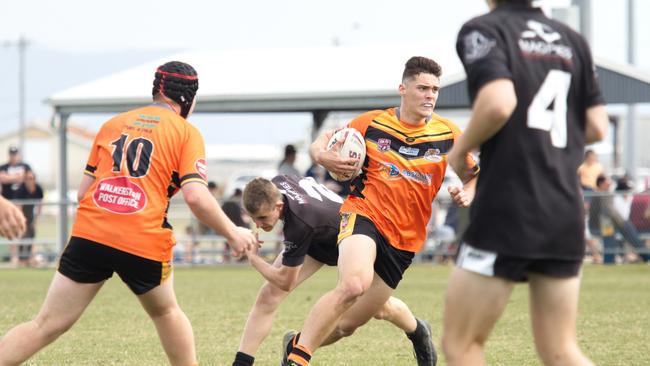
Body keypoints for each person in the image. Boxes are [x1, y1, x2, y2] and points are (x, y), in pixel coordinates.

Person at [0, 61, 257, 366]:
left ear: (157, 89)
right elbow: (196, 197)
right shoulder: (186, 133)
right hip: (142, 238)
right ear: (190, 99)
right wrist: (233, 233)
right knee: (166, 312)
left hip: (91, 233)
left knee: (46, 324)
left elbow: (84, 193)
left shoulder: (113, 124)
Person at [283, 56, 478, 366]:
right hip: (364, 215)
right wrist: (323, 157)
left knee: (346, 325)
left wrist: (467, 192)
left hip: (405, 240)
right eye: (423, 88)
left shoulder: (448, 135)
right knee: (352, 285)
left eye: (435, 90)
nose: (430, 96)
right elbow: (323, 141)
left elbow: (473, 176)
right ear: (403, 88)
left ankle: (295, 343)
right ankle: (297, 360)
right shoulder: (372, 123)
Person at [443, 1, 609, 365]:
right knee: (561, 350)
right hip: (563, 209)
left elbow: (499, 102)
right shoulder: (573, 40)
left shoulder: (485, 29)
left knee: (461, 345)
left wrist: (460, 151)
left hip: (509, 204)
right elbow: (597, 126)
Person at [232, 175, 435, 366]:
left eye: (262, 218)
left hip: (354, 240)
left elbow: (286, 281)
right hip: (320, 235)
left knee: (354, 320)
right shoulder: (276, 185)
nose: (257, 224)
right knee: (268, 295)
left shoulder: (299, 223)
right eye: (253, 219)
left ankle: (418, 331)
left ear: (278, 206)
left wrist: (253, 258)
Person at [13, 170, 44, 266]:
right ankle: (21, 259)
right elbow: (19, 207)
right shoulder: (21, 190)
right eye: (29, 178)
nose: (31, 181)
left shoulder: (38, 189)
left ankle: (28, 258)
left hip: (30, 212)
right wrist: (21, 221)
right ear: (25, 180)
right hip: (21, 212)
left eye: (33, 178)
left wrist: (36, 218)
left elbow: (40, 203)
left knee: (32, 234)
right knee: (23, 235)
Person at [221, 187, 249, 263]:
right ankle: (242, 257)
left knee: (227, 242)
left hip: (227, 227)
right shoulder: (237, 203)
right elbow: (244, 218)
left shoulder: (227, 202)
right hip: (238, 227)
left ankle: (226, 258)